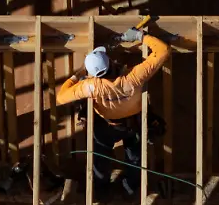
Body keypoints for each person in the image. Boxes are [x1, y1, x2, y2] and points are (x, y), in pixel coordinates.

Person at [56, 24, 170, 195]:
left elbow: (61, 96)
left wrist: (78, 75)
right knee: (134, 160)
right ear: (110, 62)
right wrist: (141, 37)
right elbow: (163, 51)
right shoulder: (134, 77)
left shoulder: (91, 86)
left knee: (101, 158)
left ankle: (100, 190)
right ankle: (129, 189)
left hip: (106, 126)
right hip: (133, 125)